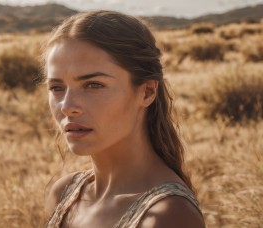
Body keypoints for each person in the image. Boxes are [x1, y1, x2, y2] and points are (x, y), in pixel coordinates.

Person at [42, 10, 206, 228]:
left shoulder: (168, 215)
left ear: (147, 92)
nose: (67, 107)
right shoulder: (64, 194)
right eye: (56, 88)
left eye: (93, 85)